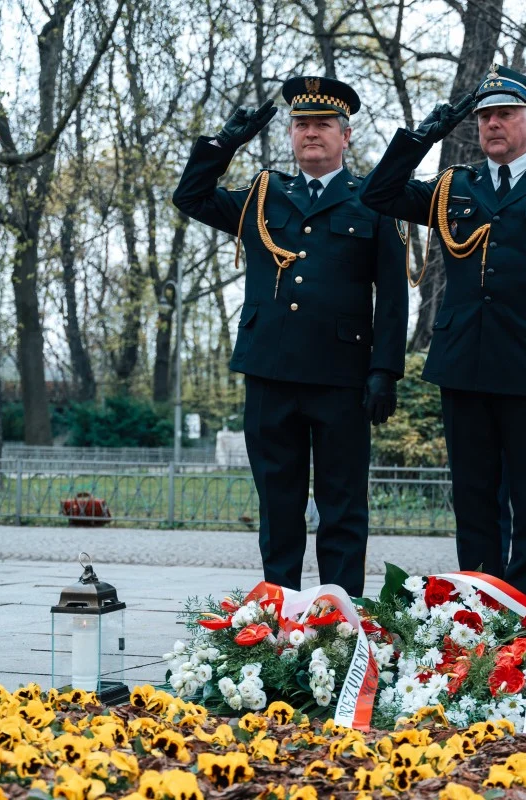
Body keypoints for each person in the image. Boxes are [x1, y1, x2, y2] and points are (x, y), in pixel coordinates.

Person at [360, 64, 526, 605]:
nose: (493, 124)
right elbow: (379, 193)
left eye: (505, 115)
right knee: (474, 497)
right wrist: (421, 138)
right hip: (464, 364)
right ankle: (479, 602)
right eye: (485, 116)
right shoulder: (456, 186)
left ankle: (525, 610)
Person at [172, 76, 409, 596]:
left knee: (342, 504)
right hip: (270, 372)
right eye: (301, 124)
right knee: (278, 503)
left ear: (346, 135)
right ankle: (278, 612)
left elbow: (393, 297)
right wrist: (224, 144)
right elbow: (190, 197)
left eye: (323, 124)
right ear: (290, 133)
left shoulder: (373, 200)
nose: (311, 133)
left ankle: (338, 616)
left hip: (342, 378)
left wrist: (385, 370)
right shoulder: (264, 195)